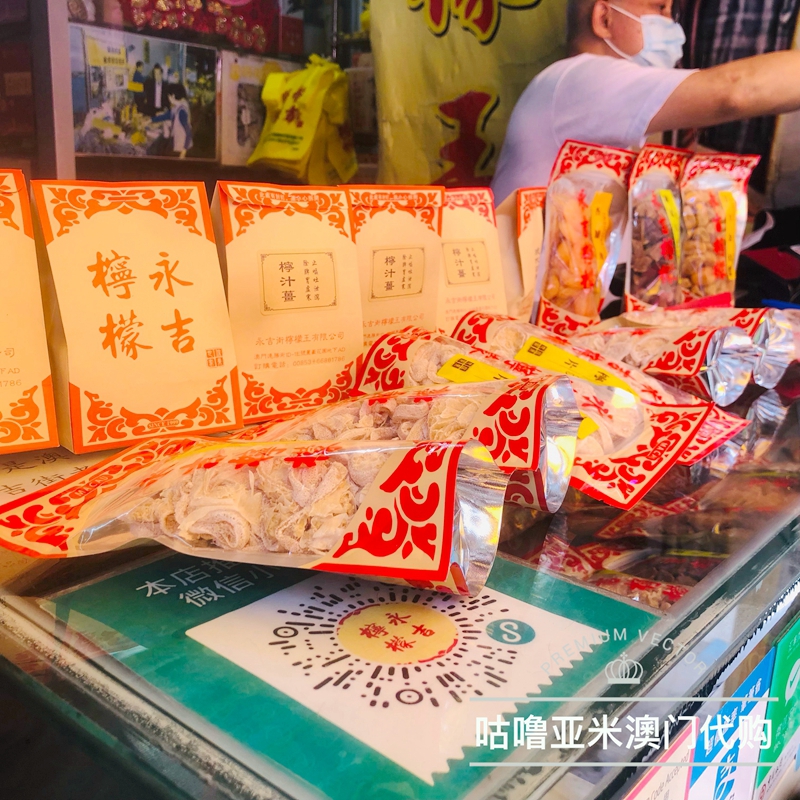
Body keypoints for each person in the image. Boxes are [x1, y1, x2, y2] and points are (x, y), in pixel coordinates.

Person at [492, 0, 800, 204]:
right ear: (604, 18)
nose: (672, 25)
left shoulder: (584, 94)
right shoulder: (580, 78)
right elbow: (736, 91)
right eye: (659, 8)